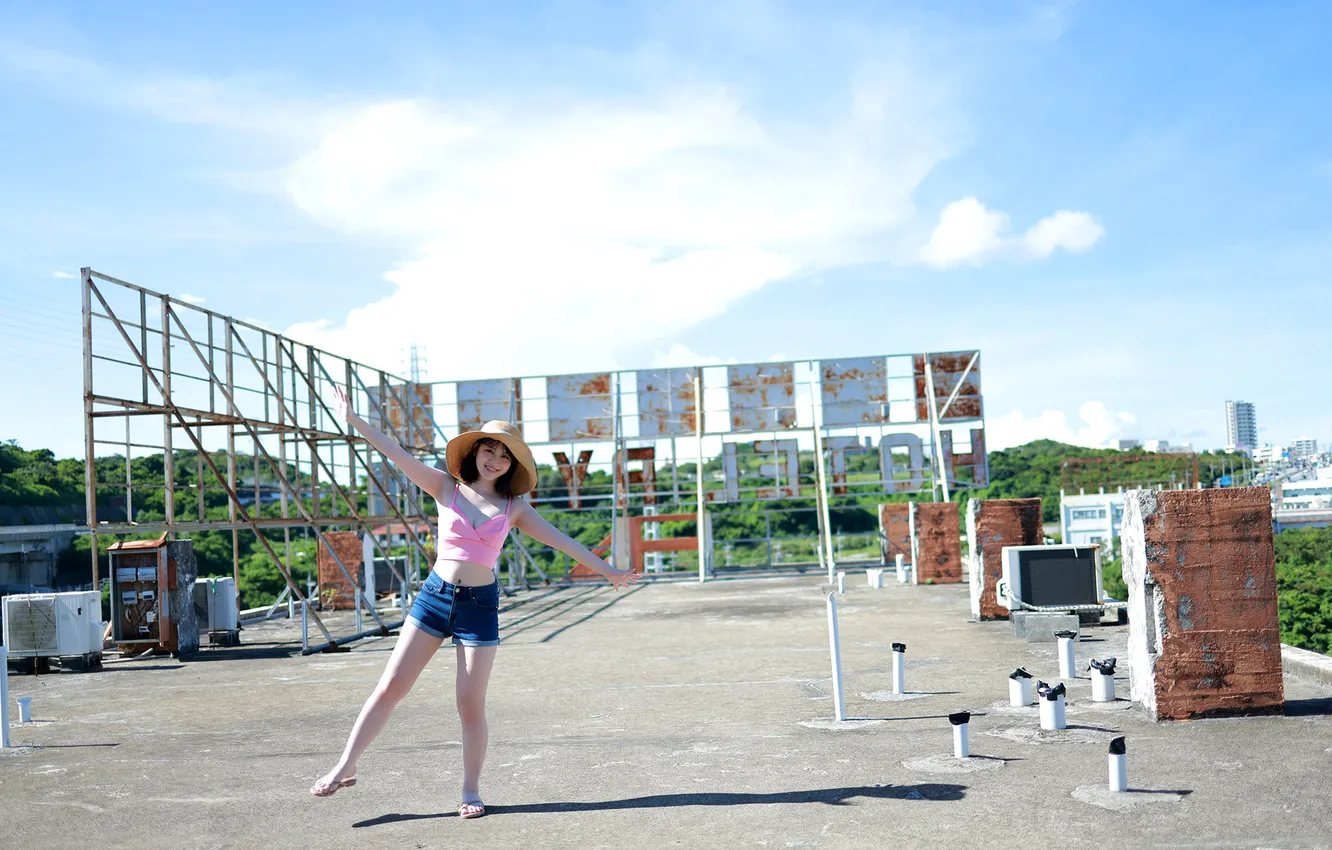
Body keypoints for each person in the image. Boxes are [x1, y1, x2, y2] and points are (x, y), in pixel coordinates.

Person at [310, 387, 638, 817]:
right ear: (476, 451)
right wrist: (353, 421)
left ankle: (470, 791)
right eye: (489, 449)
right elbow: (398, 454)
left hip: (478, 608)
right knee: (391, 686)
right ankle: (346, 765)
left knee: (469, 704)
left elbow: (563, 541)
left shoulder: (514, 507)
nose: (494, 460)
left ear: (511, 465)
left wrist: (608, 571)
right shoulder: (446, 487)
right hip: (433, 599)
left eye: (504, 456)